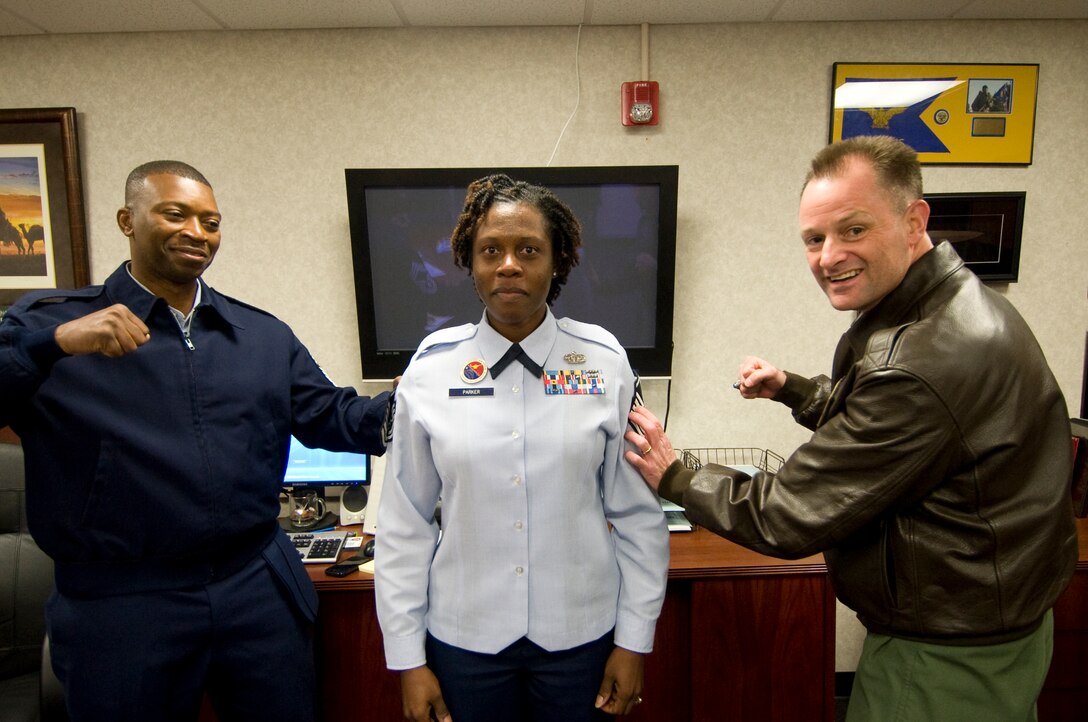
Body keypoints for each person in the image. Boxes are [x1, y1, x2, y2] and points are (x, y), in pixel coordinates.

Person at [625, 136, 1077, 721]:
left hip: (944, 658)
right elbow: (909, 433)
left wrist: (675, 476)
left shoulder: (924, 360)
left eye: (853, 230)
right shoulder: (961, 305)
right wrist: (793, 388)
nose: (829, 256)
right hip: (996, 625)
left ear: (914, 221)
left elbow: (785, 515)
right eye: (814, 239)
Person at [0, 160, 391, 722]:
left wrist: (411, 404)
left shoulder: (259, 335)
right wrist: (54, 344)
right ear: (126, 220)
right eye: (175, 214)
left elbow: (331, 415)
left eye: (211, 221)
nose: (197, 232)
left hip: (255, 589)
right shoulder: (54, 324)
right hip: (122, 605)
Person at [375, 174, 669, 722]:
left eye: (528, 250)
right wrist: (407, 659)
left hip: (580, 639)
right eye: (491, 250)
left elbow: (636, 516)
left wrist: (634, 641)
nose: (509, 264)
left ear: (556, 262)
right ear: (471, 261)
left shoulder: (603, 364)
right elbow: (404, 523)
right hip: (465, 641)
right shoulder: (431, 369)